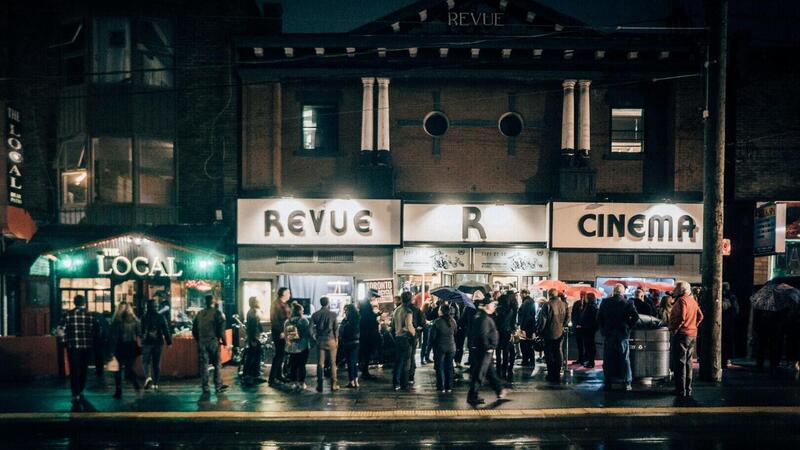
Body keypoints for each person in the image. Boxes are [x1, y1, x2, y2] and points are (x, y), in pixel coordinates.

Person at [467, 295, 508, 404]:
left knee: (490, 372)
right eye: (492, 304)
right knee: (479, 373)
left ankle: (499, 390)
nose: (494, 306)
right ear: (486, 305)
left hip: (484, 350)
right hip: (484, 350)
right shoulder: (483, 318)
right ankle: (472, 396)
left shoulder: (482, 316)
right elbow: (483, 334)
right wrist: (488, 347)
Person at [598, 284, 639, 391]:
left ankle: (608, 381)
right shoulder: (628, 303)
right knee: (625, 358)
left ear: (613, 291)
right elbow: (636, 317)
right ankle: (627, 382)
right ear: (623, 292)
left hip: (609, 333)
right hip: (623, 333)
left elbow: (599, 318)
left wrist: (603, 330)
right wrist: (628, 327)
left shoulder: (605, 302)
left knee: (608, 358)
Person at [58, 295, 97, 402]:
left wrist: (64, 342)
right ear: (84, 303)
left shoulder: (67, 314)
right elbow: (95, 331)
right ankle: (81, 389)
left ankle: (75, 393)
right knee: (84, 368)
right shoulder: (91, 315)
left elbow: (61, 330)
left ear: (74, 303)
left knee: (74, 369)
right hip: (87, 346)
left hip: (73, 346)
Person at [669, 281, 704, 398]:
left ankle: (680, 389)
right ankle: (688, 388)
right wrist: (694, 326)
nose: (674, 290)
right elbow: (701, 316)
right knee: (688, 362)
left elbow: (681, 317)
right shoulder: (693, 300)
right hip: (692, 334)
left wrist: (675, 329)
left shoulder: (681, 300)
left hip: (682, 334)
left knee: (680, 363)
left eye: (676, 288)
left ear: (680, 290)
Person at [192, 294, 228, 395]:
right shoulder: (217, 313)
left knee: (204, 365)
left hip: (202, 343)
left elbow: (194, 330)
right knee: (217, 364)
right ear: (213, 301)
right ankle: (218, 385)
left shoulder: (199, 314)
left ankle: (205, 387)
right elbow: (221, 330)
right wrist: (224, 342)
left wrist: (199, 340)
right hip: (213, 342)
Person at [537, 288, 569, 383]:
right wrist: (562, 325)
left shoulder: (547, 305)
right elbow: (567, 317)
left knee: (549, 354)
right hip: (559, 332)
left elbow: (542, 321)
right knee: (558, 352)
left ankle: (551, 374)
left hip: (548, 333)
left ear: (549, 295)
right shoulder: (563, 305)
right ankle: (557, 373)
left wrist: (539, 331)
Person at [110, 301, 141, 399]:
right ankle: (135, 382)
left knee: (117, 370)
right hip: (131, 346)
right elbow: (139, 334)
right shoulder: (135, 320)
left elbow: (113, 336)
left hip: (119, 346)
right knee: (128, 368)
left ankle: (118, 391)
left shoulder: (116, 320)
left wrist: (111, 349)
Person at [141, 299, 173, 390]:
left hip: (147, 342)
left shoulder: (144, 317)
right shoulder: (161, 317)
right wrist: (169, 342)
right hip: (158, 342)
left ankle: (148, 376)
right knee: (156, 363)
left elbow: (141, 331)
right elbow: (166, 330)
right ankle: (155, 384)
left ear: (147, 307)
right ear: (156, 306)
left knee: (145, 361)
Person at [311, 296, 339, 393]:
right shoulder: (333, 314)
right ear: (328, 303)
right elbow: (336, 329)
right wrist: (336, 340)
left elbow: (310, 330)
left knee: (320, 364)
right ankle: (334, 384)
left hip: (320, 341)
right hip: (331, 340)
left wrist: (315, 338)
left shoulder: (315, 315)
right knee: (332, 363)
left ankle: (320, 385)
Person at [391, 291, 416, 391]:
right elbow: (409, 326)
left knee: (398, 361)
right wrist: (414, 333)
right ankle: (404, 384)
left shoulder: (397, 310)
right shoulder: (408, 311)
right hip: (405, 338)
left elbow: (392, 325)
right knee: (406, 362)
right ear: (410, 299)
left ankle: (396, 383)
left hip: (397, 338)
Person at [430, 304, 457, 392]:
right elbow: (455, 332)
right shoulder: (453, 321)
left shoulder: (437, 322)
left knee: (439, 367)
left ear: (441, 312)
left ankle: (441, 386)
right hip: (451, 347)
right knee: (449, 367)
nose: (438, 311)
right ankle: (449, 387)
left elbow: (432, 337)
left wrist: (430, 347)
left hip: (440, 347)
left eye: (439, 310)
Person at [284, 302, 311, 389]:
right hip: (302, 347)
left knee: (293, 365)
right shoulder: (304, 320)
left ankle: (293, 382)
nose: (303, 311)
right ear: (299, 311)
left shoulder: (287, 321)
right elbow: (307, 333)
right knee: (302, 365)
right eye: (302, 310)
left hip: (292, 347)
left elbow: (285, 334)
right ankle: (301, 383)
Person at [269, 287, 291, 386]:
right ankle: (272, 378)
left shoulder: (284, 304)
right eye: (288, 292)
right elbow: (274, 320)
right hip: (280, 334)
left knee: (281, 355)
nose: (289, 294)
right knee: (279, 355)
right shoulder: (276, 305)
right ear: (283, 294)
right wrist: (281, 332)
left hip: (284, 332)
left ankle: (278, 375)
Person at [494, 292, 518, 382]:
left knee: (498, 351)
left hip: (498, 332)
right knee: (506, 351)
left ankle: (498, 369)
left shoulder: (497, 310)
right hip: (507, 332)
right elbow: (512, 322)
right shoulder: (510, 310)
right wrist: (513, 331)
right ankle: (505, 369)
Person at [359, 289, 381, 380]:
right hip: (367, 333)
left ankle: (365, 371)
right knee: (366, 353)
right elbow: (367, 317)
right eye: (374, 296)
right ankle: (365, 371)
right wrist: (375, 315)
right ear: (371, 295)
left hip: (365, 332)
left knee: (366, 353)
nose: (374, 298)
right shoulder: (366, 304)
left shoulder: (365, 303)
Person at [244, 296, 265, 384]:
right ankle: (249, 376)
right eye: (258, 301)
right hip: (255, 338)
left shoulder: (252, 311)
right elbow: (252, 327)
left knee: (255, 356)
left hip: (255, 337)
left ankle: (254, 375)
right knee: (253, 357)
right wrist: (253, 339)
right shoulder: (253, 312)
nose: (259, 302)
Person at [339, 303, 361, 388]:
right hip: (356, 342)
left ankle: (351, 381)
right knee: (354, 362)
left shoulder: (347, 321)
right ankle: (356, 380)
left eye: (345, 310)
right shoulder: (358, 319)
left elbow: (342, 331)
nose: (345, 312)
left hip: (349, 342)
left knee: (350, 362)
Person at [455, 292, 479, 368]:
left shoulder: (469, 307)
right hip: (478, 332)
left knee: (471, 347)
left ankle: (472, 365)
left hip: (469, 331)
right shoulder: (482, 307)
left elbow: (462, 319)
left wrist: (459, 326)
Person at [578, 293, 599, 368]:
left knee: (590, 345)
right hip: (588, 328)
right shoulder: (590, 306)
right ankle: (589, 361)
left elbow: (591, 318)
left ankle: (591, 362)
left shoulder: (591, 306)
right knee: (588, 345)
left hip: (589, 328)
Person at [517, 289, 537, 367]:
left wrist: (522, 327)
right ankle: (530, 360)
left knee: (525, 344)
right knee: (528, 344)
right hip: (529, 326)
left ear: (525, 294)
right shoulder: (529, 301)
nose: (520, 295)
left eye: (521, 294)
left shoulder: (527, 302)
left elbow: (525, 316)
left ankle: (526, 360)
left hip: (526, 327)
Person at [721, 282, 739, 368]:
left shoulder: (721, 296)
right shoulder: (732, 297)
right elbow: (736, 310)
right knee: (727, 342)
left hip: (723, 322)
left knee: (723, 341)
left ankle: (723, 360)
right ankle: (726, 359)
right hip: (729, 322)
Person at [421, 295, 438, 365]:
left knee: (428, 343)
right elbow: (428, 316)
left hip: (428, 326)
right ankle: (424, 358)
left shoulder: (431, 304)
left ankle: (426, 357)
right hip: (428, 326)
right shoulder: (428, 304)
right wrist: (434, 308)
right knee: (427, 343)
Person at [572, 293, 587, 365]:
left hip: (585, 328)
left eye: (583, 295)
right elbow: (573, 314)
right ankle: (580, 358)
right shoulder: (576, 303)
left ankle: (584, 359)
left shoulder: (587, 304)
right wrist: (575, 324)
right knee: (579, 344)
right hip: (577, 327)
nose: (582, 296)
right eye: (581, 295)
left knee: (585, 344)